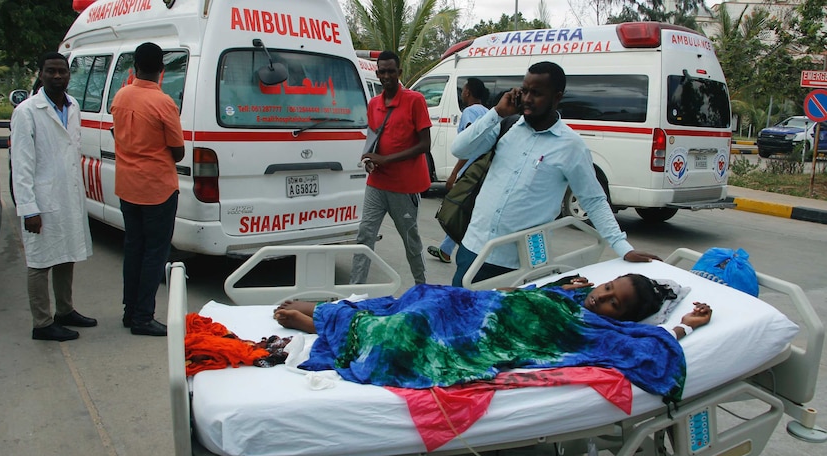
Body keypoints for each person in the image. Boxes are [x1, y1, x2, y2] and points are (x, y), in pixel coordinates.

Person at [274, 274, 711, 398]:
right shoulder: (576, 295)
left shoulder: (601, 329)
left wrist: (681, 326)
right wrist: (563, 290)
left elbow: (647, 351)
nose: (602, 297)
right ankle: (334, 314)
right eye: (607, 287)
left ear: (625, 317)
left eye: (615, 301)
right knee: (424, 299)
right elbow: (524, 298)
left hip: (492, 333)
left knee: (411, 335)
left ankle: (322, 323)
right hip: (480, 306)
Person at [449, 62, 660, 287]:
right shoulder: (507, 126)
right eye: (525, 90)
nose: (528, 99)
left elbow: (594, 200)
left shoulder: (571, 146)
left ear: (557, 97)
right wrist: (497, 113)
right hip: (474, 248)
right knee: (457, 315)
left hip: (517, 264)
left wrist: (623, 248)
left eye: (537, 93)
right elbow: (459, 149)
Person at [11, 52, 96, 341]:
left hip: (67, 195)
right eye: (51, 71)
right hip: (41, 199)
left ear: (69, 75)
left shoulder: (72, 106)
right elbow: (21, 164)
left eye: (62, 71)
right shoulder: (26, 111)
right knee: (39, 262)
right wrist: (28, 209)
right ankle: (43, 323)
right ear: (41, 74)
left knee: (65, 254)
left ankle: (65, 310)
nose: (57, 76)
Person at [110, 42, 185, 337]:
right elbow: (177, 152)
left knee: (134, 249)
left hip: (127, 186)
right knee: (155, 253)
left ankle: (131, 312)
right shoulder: (164, 103)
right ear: (162, 70)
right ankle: (143, 317)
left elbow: (117, 133)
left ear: (134, 67)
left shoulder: (121, 95)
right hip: (157, 189)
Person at [351, 50, 432, 286]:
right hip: (376, 184)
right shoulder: (374, 104)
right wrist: (370, 161)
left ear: (399, 72)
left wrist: (387, 160)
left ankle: (422, 287)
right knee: (364, 236)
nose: (386, 76)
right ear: (377, 73)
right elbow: (373, 139)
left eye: (391, 71)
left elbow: (424, 145)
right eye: (382, 72)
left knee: (410, 240)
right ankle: (355, 293)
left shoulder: (415, 100)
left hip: (404, 187)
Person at [427, 77, 490, 264]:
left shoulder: (469, 112)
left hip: (471, 172)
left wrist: (454, 172)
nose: (461, 93)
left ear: (468, 92)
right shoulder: (487, 112)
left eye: (463, 90)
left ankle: (457, 252)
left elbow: (470, 142)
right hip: (484, 170)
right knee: (468, 212)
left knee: (457, 210)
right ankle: (446, 250)